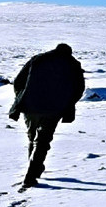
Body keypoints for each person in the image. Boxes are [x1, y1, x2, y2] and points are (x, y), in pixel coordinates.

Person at [8, 43, 85, 191]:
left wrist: (22, 97)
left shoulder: (37, 59)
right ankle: (31, 175)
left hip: (30, 107)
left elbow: (18, 81)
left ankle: (34, 169)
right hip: (54, 109)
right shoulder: (72, 64)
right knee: (42, 141)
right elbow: (79, 88)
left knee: (32, 138)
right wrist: (66, 104)